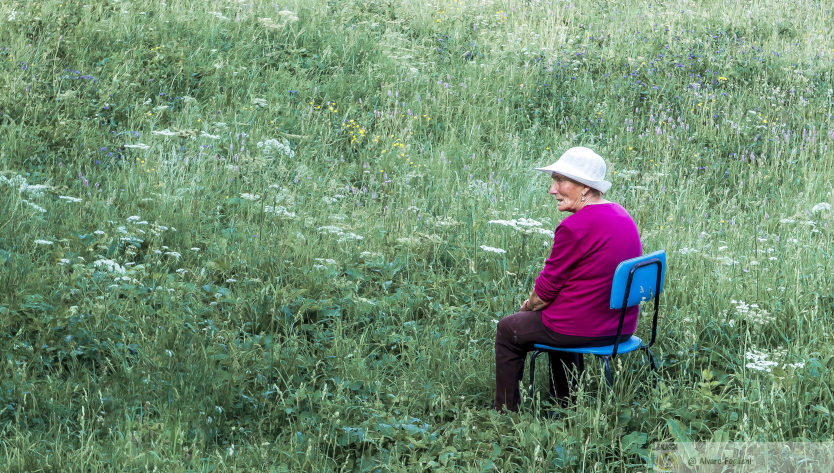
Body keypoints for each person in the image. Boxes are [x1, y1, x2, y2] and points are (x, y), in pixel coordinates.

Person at [494, 146, 642, 412]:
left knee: (508, 329)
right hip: (620, 326)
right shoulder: (622, 215)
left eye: (560, 181)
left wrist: (530, 305)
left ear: (585, 187)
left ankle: (504, 413)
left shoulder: (575, 227)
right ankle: (566, 401)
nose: (552, 189)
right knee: (555, 315)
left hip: (583, 328)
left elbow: (545, 290)